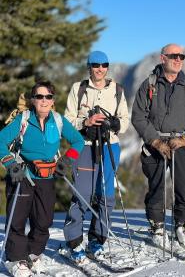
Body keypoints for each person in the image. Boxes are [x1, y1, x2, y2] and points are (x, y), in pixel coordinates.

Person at [0, 81, 84, 277]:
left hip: (47, 176)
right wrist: (10, 164)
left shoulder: (58, 120)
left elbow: (78, 141)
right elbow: (1, 141)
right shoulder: (23, 119)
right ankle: (15, 259)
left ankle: (33, 254)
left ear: (53, 100)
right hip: (21, 175)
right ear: (32, 100)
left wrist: (67, 159)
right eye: (39, 96)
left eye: (48, 97)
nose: (44, 100)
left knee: (44, 220)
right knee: (17, 219)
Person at [131, 43, 185, 247]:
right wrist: (154, 141)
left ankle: (182, 224)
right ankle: (157, 226)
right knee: (156, 187)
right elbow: (138, 116)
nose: (178, 59)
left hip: (180, 143)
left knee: (183, 187)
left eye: (181, 56)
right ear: (162, 58)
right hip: (155, 143)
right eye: (174, 56)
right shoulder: (150, 84)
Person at [63, 51, 129, 262]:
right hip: (85, 146)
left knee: (106, 196)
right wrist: (85, 124)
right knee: (82, 194)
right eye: (95, 65)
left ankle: (97, 240)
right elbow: (67, 120)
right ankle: (74, 242)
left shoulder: (117, 89)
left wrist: (115, 124)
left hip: (110, 145)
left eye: (104, 65)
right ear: (89, 66)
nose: (100, 69)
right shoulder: (79, 88)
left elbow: (125, 119)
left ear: (107, 67)